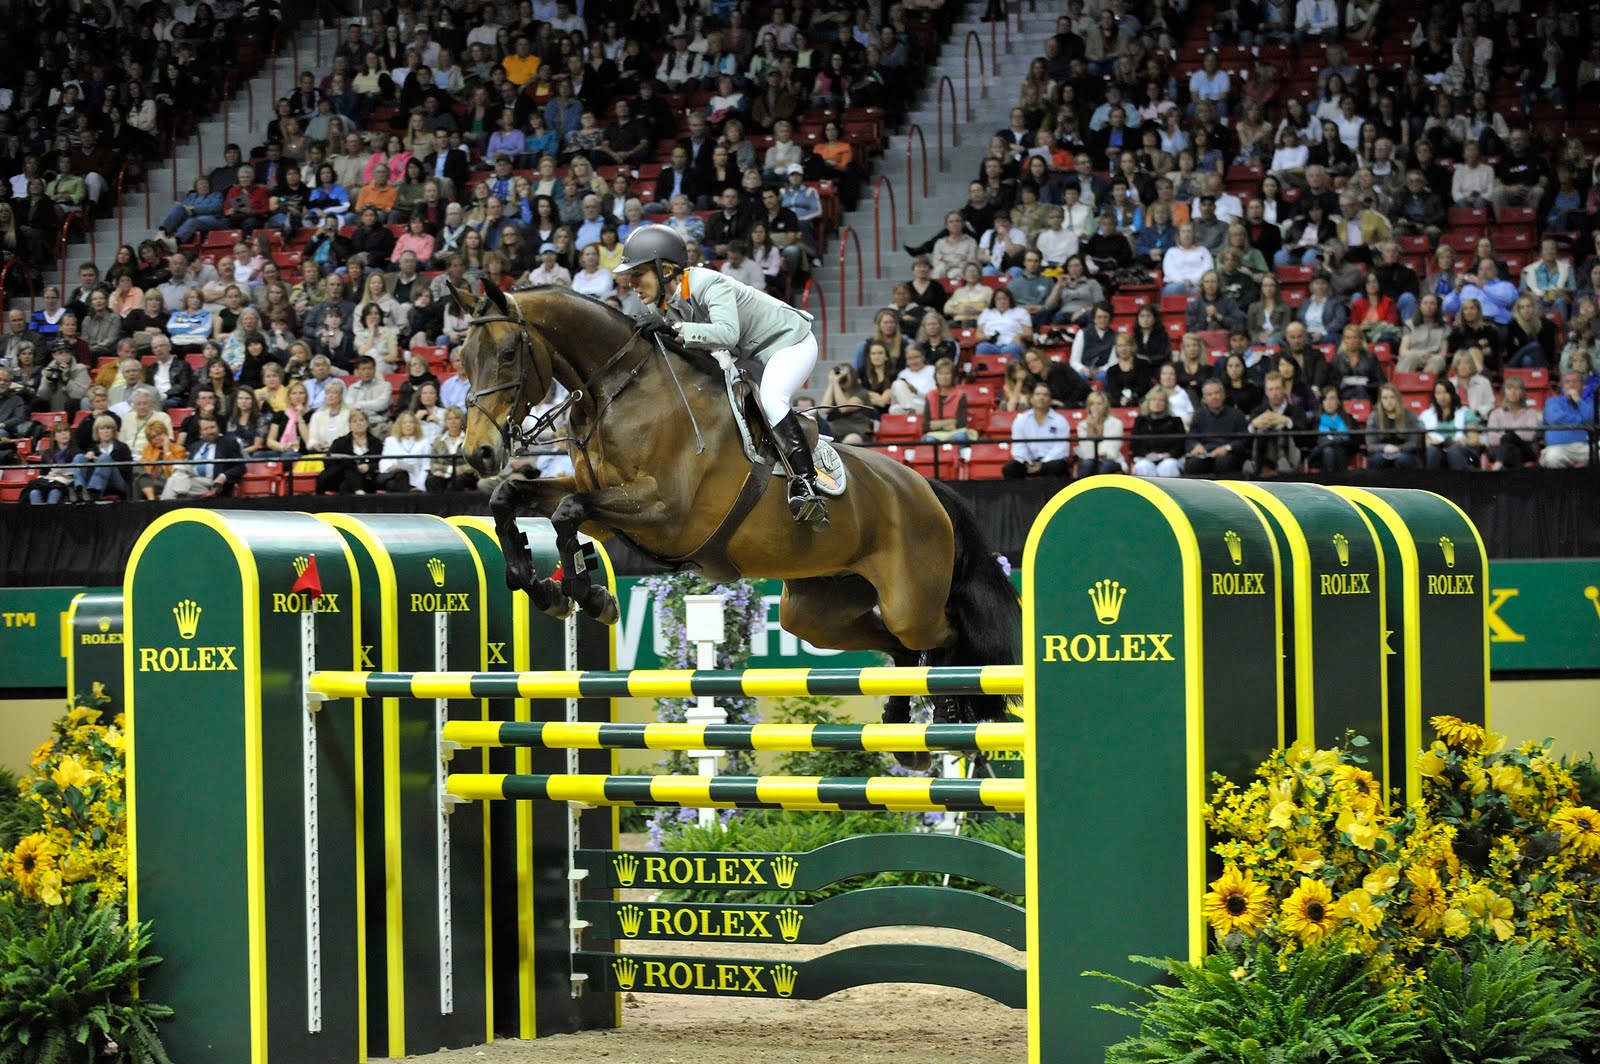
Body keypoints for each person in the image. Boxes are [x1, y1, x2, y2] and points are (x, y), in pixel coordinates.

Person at [613, 224, 827, 523]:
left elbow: (726, 334)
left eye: (638, 274)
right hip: (750, 357)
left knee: (772, 399)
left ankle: (806, 484)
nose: (632, 283)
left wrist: (674, 330)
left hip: (790, 342)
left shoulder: (707, 283)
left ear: (665, 270)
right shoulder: (667, 306)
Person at [1003, 383, 1073, 478]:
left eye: (1045, 395)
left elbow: (1061, 448)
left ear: (1050, 400)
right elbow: (1018, 446)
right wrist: (1028, 462)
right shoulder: (1021, 420)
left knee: (1058, 466)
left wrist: (1043, 464)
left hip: (1051, 461)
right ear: (1031, 398)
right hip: (1029, 461)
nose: (1041, 397)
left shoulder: (1060, 421)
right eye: (1038, 394)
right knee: (1010, 468)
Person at [1248, 371, 1309, 473]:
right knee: (1260, 431)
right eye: (1270, 389)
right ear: (1266, 392)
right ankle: (1256, 467)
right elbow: (1245, 440)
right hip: (1265, 455)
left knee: (1282, 428)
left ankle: (1284, 463)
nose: (1274, 393)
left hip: (1291, 454)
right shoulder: (1258, 412)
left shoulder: (1297, 411)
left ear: (1284, 389)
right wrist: (1253, 425)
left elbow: (1305, 438)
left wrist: (1287, 421)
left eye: (1277, 388)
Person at [1184, 379, 1248, 475]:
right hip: (1205, 453)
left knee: (1223, 462)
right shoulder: (1199, 415)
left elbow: (1244, 439)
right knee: (1193, 464)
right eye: (1209, 394)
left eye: (1217, 393)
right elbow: (1191, 438)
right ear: (1204, 399)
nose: (1214, 397)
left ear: (1223, 395)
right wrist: (1196, 446)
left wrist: (1227, 448)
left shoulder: (1237, 414)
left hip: (1229, 454)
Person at [1418, 379, 1479, 471]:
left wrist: (1460, 441)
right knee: (1432, 451)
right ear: (1434, 396)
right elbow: (1427, 442)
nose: (1442, 396)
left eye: (1446, 392)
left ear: (1452, 394)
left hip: (1463, 449)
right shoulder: (1426, 415)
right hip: (1438, 449)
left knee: (1453, 450)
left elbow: (1474, 440)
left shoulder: (1466, 413)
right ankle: (1430, 483)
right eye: (1438, 393)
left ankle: (1461, 482)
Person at [317, 409, 382, 494]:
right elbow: (328, 461)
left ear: (367, 423)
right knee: (349, 467)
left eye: (361, 420)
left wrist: (369, 467)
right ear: (350, 425)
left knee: (345, 486)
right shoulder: (339, 442)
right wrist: (348, 465)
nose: (358, 423)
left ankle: (357, 491)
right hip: (339, 477)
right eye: (354, 421)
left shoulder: (376, 443)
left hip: (366, 478)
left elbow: (382, 462)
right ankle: (358, 490)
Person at [1485, 375, 1542, 470]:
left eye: (1517, 389)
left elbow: (1529, 435)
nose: (1513, 392)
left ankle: (1499, 464)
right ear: (1504, 391)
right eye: (1509, 388)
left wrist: (1506, 435)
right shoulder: (1495, 413)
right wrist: (1512, 437)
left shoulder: (1530, 413)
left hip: (1526, 450)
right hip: (1500, 450)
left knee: (1509, 437)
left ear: (1522, 393)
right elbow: (1492, 439)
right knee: (1513, 450)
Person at [72, 415, 133, 501]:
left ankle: (94, 493)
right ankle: (80, 489)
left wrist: (106, 463)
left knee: (105, 458)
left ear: (113, 430)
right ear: (97, 432)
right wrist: (92, 461)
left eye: (108, 428)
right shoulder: (93, 449)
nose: (106, 431)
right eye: (102, 429)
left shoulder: (122, 447)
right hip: (98, 481)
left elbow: (127, 471)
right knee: (79, 457)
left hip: (118, 483)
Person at [1540, 370, 1594, 469]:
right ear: (1562, 386)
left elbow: (1592, 418)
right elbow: (1555, 419)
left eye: (1575, 381)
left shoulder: (1589, 403)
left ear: (1583, 385)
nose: (1571, 384)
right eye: (1567, 382)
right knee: (1553, 457)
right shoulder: (1553, 402)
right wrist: (1582, 421)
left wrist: (1578, 401)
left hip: (1586, 446)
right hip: (1559, 447)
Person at [1130, 387, 1187, 476]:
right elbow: (1134, 445)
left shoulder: (1176, 421)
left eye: (1161, 400)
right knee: (1143, 465)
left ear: (1166, 404)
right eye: (1153, 400)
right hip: (1145, 458)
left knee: (1169, 465)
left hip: (1170, 458)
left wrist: (1168, 455)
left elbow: (1181, 445)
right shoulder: (1140, 421)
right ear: (1148, 402)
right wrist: (1146, 455)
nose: (1157, 403)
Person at [1365, 382, 1422, 469]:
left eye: (1392, 397)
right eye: (1385, 398)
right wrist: (1385, 447)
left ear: (1398, 398)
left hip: (1404, 451)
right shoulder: (1374, 416)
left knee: (1403, 459)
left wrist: (1398, 448)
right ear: (1380, 401)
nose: (1389, 401)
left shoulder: (1410, 415)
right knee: (1377, 459)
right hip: (1381, 452)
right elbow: (1371, 445)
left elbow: (1413, 443)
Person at [1073, 391, 1125, 477]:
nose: (1095, 407)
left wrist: (1097, 455)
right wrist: (1090, 430)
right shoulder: (1082, 426)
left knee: (1105, 466)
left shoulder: (1116, 423)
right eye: (1092, 404)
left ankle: (1101, 490)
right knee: (1087, 465)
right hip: (1090, 461)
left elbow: (1112, 452)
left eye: (1099, 404)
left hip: (1113, 461)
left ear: (1105, 406)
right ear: (1088, 407)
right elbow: (1087, 455)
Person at [1308, 385, 1357, 471]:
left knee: (1338, 449)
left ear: (1338, 401)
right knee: (1328, 451)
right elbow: (1310, 443)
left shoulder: (1348, 418)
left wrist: (1337, 441)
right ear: (1322, 402)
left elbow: (1356, 443)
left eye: (1332, 398)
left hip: (1343, 452)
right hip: (1319, 455)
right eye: (1325, 399)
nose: (1328, 402)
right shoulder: (1315, 420)